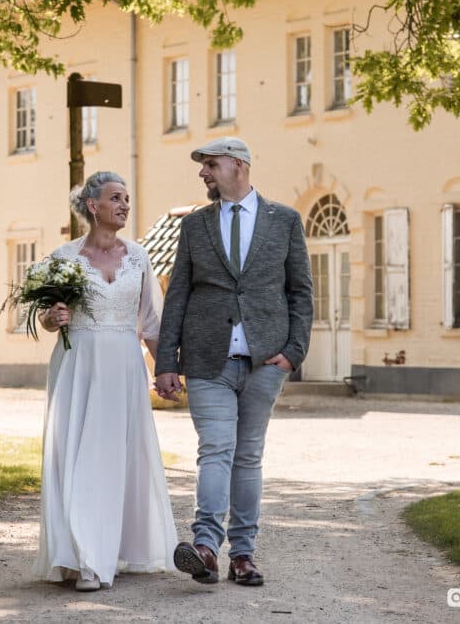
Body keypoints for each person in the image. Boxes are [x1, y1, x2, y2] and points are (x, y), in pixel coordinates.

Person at [154, 137, 313, 587]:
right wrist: (167, 360)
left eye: (210, 164)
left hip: (267, 359)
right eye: (203, 166)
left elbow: (300, 291)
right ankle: (205, 547)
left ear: (238, 165)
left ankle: (243, 554)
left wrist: (293, 352)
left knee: (248, 457)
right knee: (216, 451)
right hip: (207, 360)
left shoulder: (284, 220)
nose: (203, 173)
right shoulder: (194, 226)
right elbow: (178, 294)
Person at [33, 171, 178, 592]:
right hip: (79, 365)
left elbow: (151, 322)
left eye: (128, 199)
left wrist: (165, 369)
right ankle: (84, 557)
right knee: (81, 455)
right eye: (117, 198)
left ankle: (113, 546)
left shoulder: (139, 258)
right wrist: (52, 317)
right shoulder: (63, 257)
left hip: (124, 367)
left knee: (117, 456)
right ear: (93, 206)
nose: (125, 206)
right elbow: (47, 317)